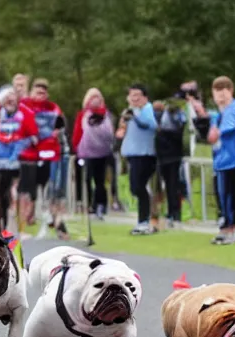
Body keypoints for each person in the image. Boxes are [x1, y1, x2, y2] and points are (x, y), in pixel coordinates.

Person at [0, 87, 38, 233]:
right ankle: (1, 223)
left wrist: (19, 148)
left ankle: (18, 225)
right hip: (0, 160)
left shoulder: (24, 114)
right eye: (7, 97)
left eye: (13, 96)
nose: (10, 100)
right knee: (1, 193)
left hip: (20, 160)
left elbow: (32, 137)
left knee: (17, 191)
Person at [20, 79, 64, 234]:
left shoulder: (52, 108)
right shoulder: (24, 105)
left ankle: (50, 214)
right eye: (38, 92)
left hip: (46, 150)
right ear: (32, 91)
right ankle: (28, 213)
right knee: (27, 186)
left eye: (43, 92)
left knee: (45, 183)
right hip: (28, 151)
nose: (41, 95)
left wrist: (56, 133)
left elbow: (60, 124)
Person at [207, 76, 235, 245]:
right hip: (220, 160)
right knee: (221, 195)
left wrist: (218, 132)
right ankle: (225, 227)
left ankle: (234, 228)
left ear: (230, 91)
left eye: (223, 92)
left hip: (234, 159)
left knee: (230, 194)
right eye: (217, 93)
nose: (220, 96)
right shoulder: (217, 114)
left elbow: (232, 125)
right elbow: (210, 134)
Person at [116, 83, 158, 235]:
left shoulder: (147, 109)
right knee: (136, 187)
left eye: (137, 96)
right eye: (131, 95)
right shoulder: (130, 111)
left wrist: (136, 117)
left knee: (138, 187)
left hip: (145, 155)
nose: (134, 99)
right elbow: (122, 129)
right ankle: (144, 221)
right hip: (132, 154)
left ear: (144, 97)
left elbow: (150, 125)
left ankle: (144, 222)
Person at [72, 88, 115, 220]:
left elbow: (110, 134)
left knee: (100, 180)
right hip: (86, 153)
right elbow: (78, 132)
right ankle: (87, 204)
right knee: (86, 179)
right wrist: (76, 148)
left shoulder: (107, 115)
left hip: (102, 153)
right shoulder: (83, 115)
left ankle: (100, 205)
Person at [153, 99, 187, 228]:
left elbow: (179, 132)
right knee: (169, 186)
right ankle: (171, 212)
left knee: (173, 185)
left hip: (172, 156)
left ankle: (175, 213)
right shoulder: (162, 118)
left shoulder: (174, 117)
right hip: (164, 155)